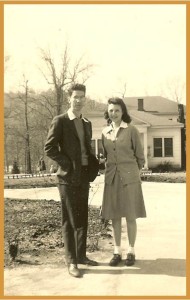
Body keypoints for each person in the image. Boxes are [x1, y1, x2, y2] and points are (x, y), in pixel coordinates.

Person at [44, 83, 99, 278]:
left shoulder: (86, 123)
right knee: (70, 219)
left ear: (85, 99)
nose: (78, 100)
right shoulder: (60, 121)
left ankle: (82, 256)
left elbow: (85, 149)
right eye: (75, 97)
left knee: (82, 216)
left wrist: (94, 163)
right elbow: (49, 148)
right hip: (67, 178)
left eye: (82, 97)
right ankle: (71, 261)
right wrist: (66, 163)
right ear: (69, 98)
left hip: (84, 176)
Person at [101, 97, 146, 267]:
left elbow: (140, 157)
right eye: (111, 110)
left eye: (117, 110)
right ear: (108, 112)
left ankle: (131, 251)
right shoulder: (105, 132)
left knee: (130, 215)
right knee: (115, 216)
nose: (114, 113)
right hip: (112, 178)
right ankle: (117, 251)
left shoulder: (131, 130)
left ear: (123, 112)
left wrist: (132, 174)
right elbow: (106, 156)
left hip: (130, 179)